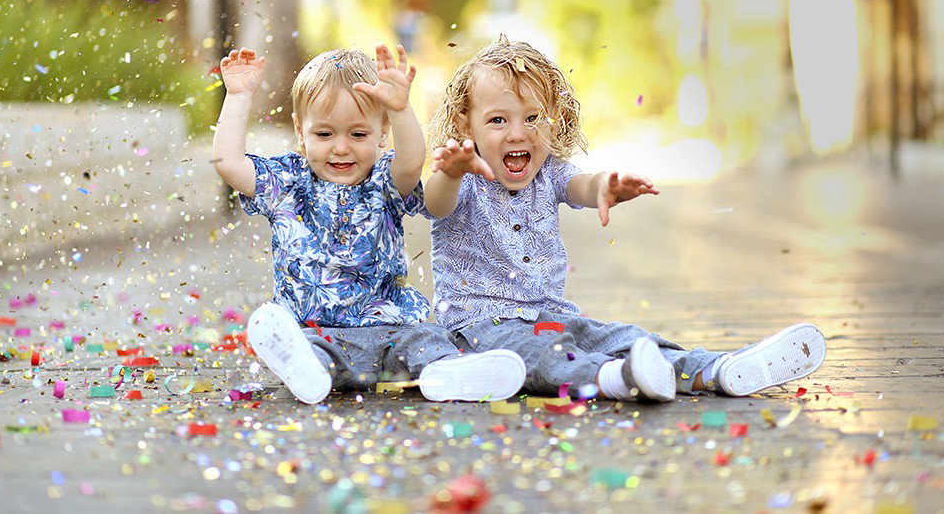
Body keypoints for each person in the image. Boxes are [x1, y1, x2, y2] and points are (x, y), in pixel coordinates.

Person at [422, 35, 826, 402]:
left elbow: (580, 184)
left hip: (551, 315)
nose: (517, 134)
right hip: (478, 330)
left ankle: (715, 370)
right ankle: (614, 377)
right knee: (542, 356)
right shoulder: (460, 179)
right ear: (464, 123)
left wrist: (603, 188)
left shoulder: (548, 173)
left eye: (532, 118)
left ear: (552, 120)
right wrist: (452, 171)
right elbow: (436, 204)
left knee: (622, 336)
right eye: (498, 120)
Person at [213, 45, 526, 404]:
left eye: (358, 135)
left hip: (389, 329)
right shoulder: (286, 182)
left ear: (381, 134)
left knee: (427, 340)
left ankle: (442, 373)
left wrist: (401, 108)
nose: (341, 148)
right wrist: (238, 97)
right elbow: (229, 164)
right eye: (325, 135)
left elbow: (412, 162)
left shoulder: (383, 180)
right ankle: (308, 372)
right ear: (301, 132)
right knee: (305, 347)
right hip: (314, 329)